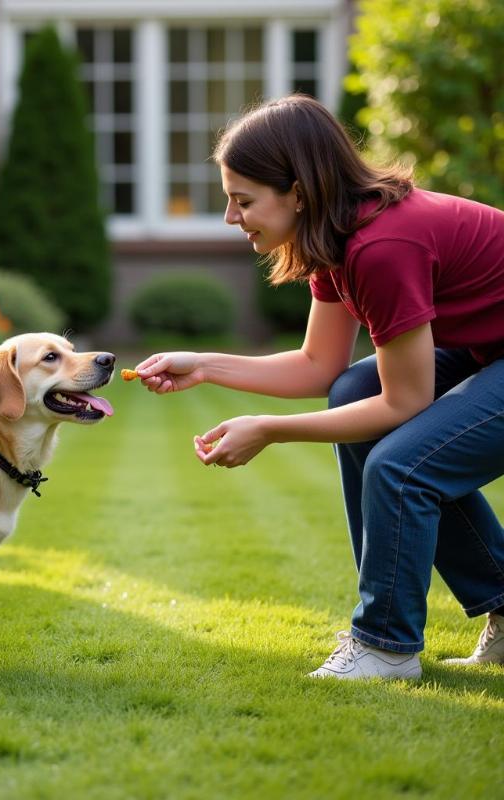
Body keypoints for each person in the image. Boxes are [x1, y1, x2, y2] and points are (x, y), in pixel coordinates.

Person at [135, 94, 504, 680]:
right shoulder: (337, 238)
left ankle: (385, 644)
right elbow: (319, 365)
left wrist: (270, 431)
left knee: (402, 467)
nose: (232, 217)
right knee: (354, 392)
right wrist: (204, 365)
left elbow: (403, 402)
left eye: (243, 201)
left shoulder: (382, 246)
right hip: (490, 348)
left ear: (299, 192)